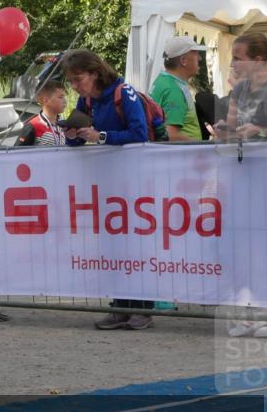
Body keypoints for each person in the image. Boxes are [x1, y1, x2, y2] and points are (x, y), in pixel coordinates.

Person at [63, 49, 155, 331]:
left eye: (78, 79)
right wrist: (73, 136)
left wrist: (100, 136)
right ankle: (120, 306)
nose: (75, 86)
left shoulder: (123, 92)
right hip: (108, 184)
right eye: (72, 82)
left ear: (94, 72)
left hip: (135, 181)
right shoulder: (86, 99)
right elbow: (80, 139)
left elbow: (139, 134)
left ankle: (142, 309)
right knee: (113, 245)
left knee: (135, 244)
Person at [210, 33, 267, 142]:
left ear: (257, 61)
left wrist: (261, 131)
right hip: (245, 156)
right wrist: (224, 131)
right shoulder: (239, 88)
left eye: (237, 59)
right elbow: (233, 131)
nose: (231, 64)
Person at [150, 36, 203, 142]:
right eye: (196, 54)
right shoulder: (173, 89)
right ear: (183, 61)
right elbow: (171, 135)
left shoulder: (163, 79)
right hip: (184, 156)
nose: (200, 58)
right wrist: (202, 149)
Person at [16, 80, 67, 146]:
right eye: (61, 97)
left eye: (64, 97)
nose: (65, 101)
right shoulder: (32, 126)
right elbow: (17, 152)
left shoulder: (65, 124)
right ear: (46, 100)